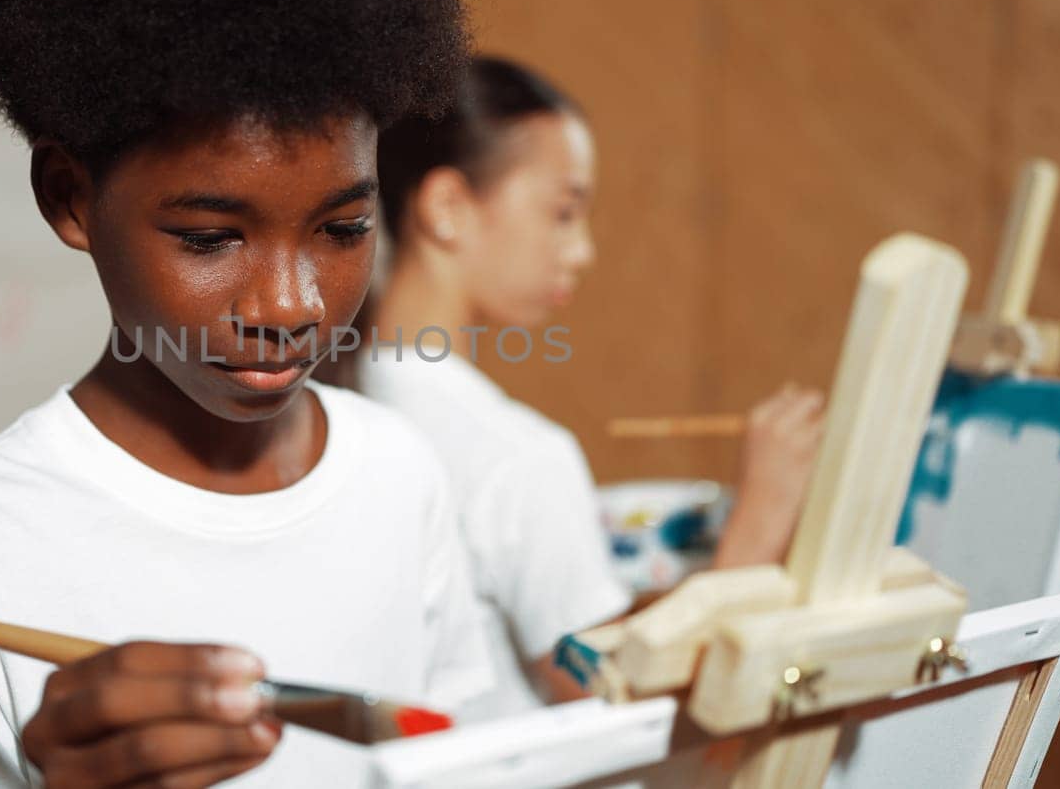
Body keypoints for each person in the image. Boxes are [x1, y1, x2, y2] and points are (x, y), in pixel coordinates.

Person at [0, 0, 492, 786]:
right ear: (70, 197)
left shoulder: (401, 474)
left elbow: (466, 756)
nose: (287, 304)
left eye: (342, 229)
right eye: (208, 237)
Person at [354, 56, 825, 717]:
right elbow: (609, 686)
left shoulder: (335, 405)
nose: (583, 251)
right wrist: (758, 525)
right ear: (449, 207)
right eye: (563, 212)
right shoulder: (514, 455)